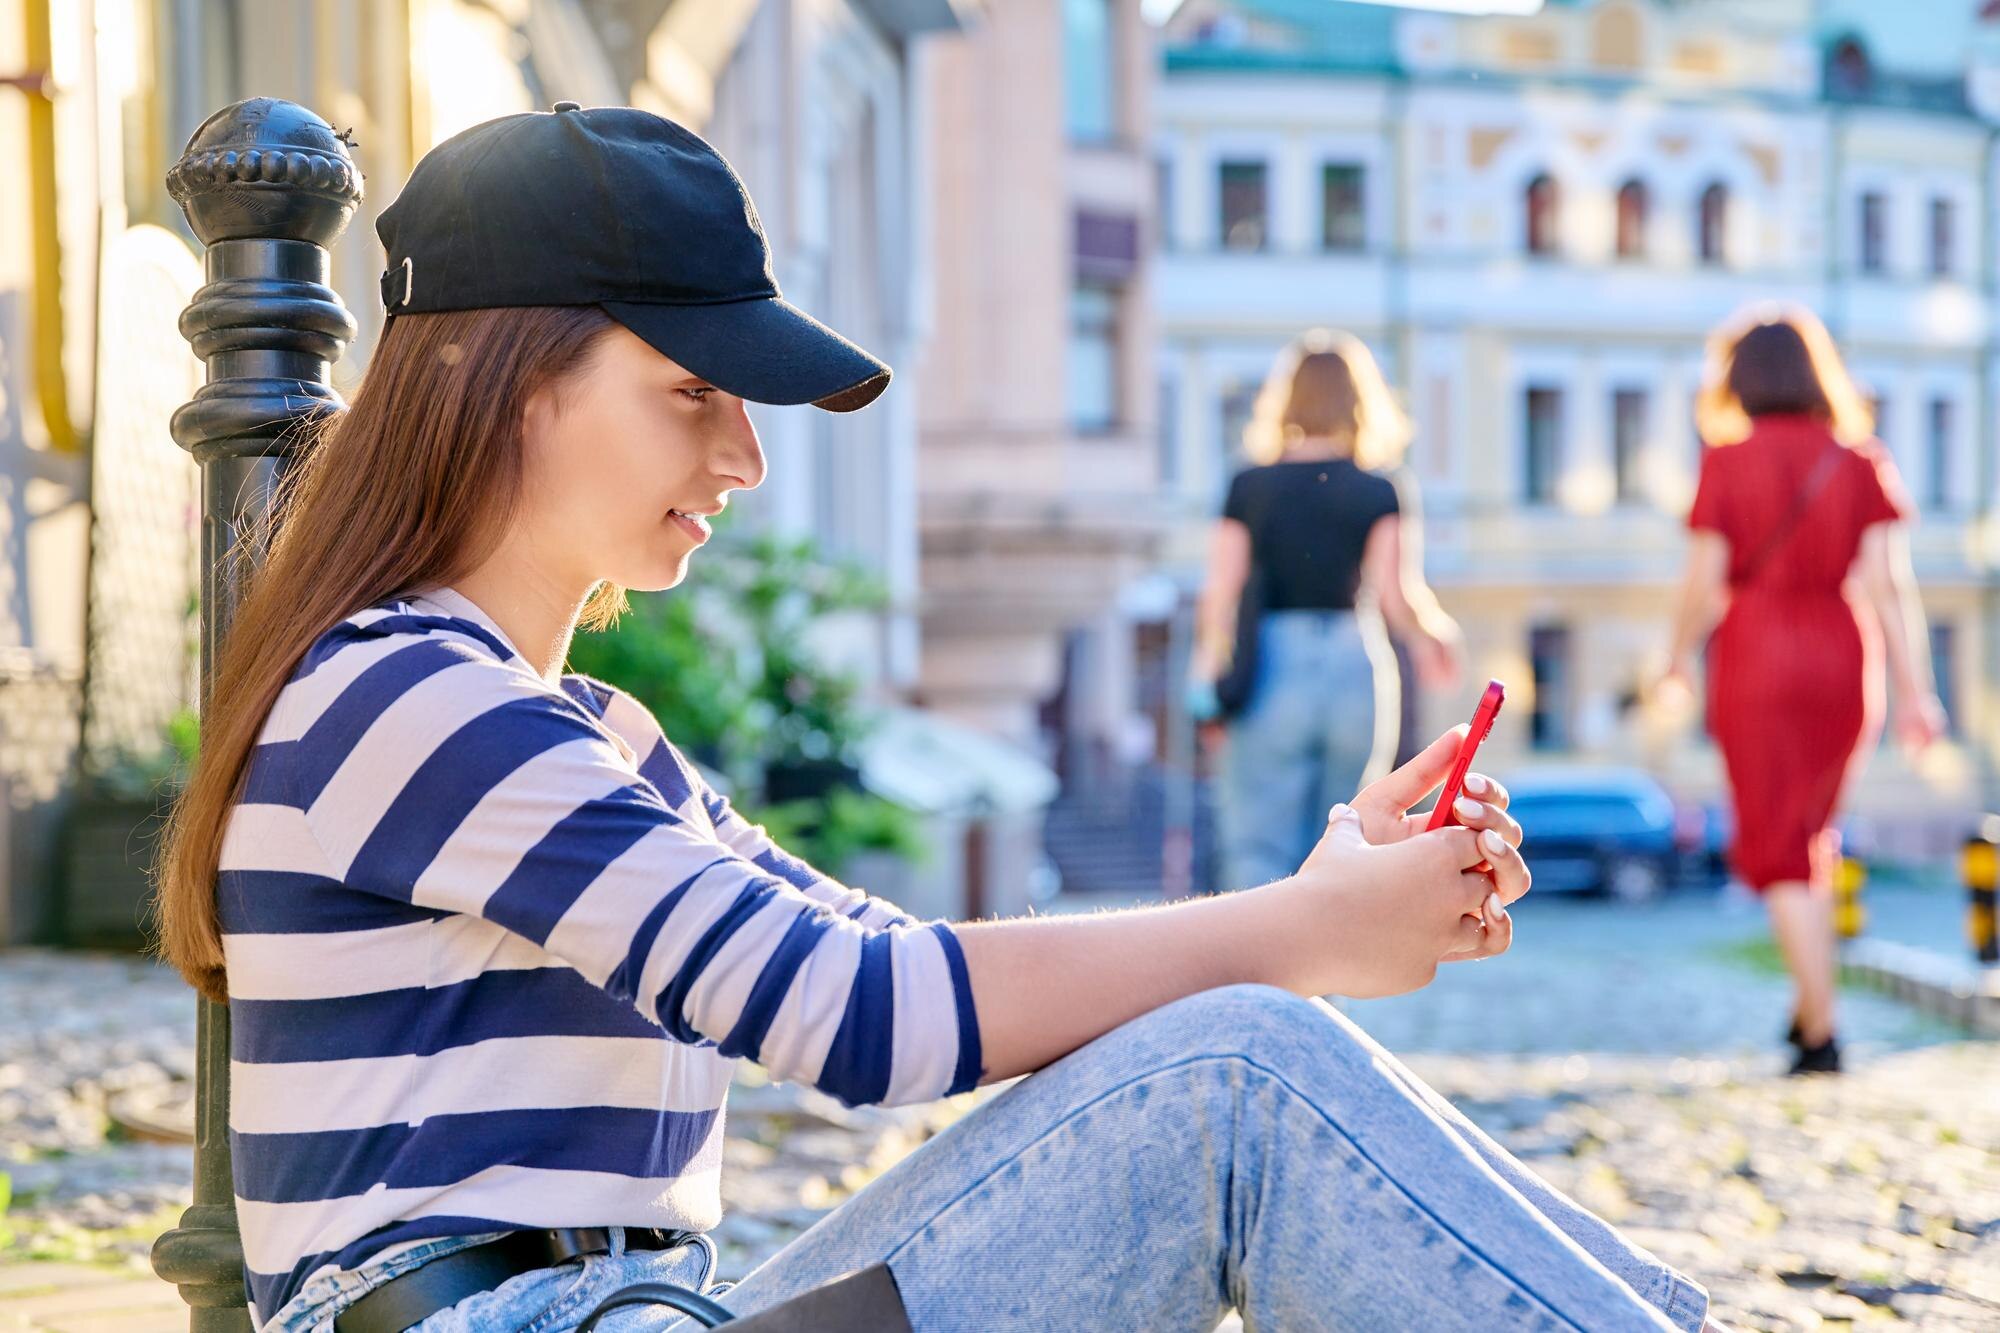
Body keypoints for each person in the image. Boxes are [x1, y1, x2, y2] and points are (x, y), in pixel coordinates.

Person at [155, 105, 1717, 1332]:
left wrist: (1312, 889)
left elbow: (895, 955)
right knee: (1240, 1068)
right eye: (692, 389)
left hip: (641, 1311)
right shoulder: (404, 695)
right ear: (509, 383)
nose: (746, 458)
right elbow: (855, 1016)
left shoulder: (585, 733)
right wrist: (1301, 931)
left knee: (1232, 1052)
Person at [1663, 305, 1942, 1076]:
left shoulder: (1726, 459)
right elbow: (1892, 586)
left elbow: (1703, 583)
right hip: (1844, 653)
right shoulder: (1860, 459)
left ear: (1739, 381)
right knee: (1809, 837)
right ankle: (1808, 1009)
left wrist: (1675, 659)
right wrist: (1918, 693)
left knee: (1779, 845)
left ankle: (1821, 1029)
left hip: (1756, 653)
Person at [1192, 331, 1464, 892]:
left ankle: (1260, 979)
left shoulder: (1249, 485)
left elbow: (1220, 592)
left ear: (1287, 400)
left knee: (1257, 850)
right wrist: (1436, 639)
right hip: (1353, 663)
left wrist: (1207, 683)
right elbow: (1396, 596)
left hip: (1271, 666)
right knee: (1344, 843)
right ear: (1361, 401)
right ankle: (1325, 983)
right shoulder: (1381, 489)